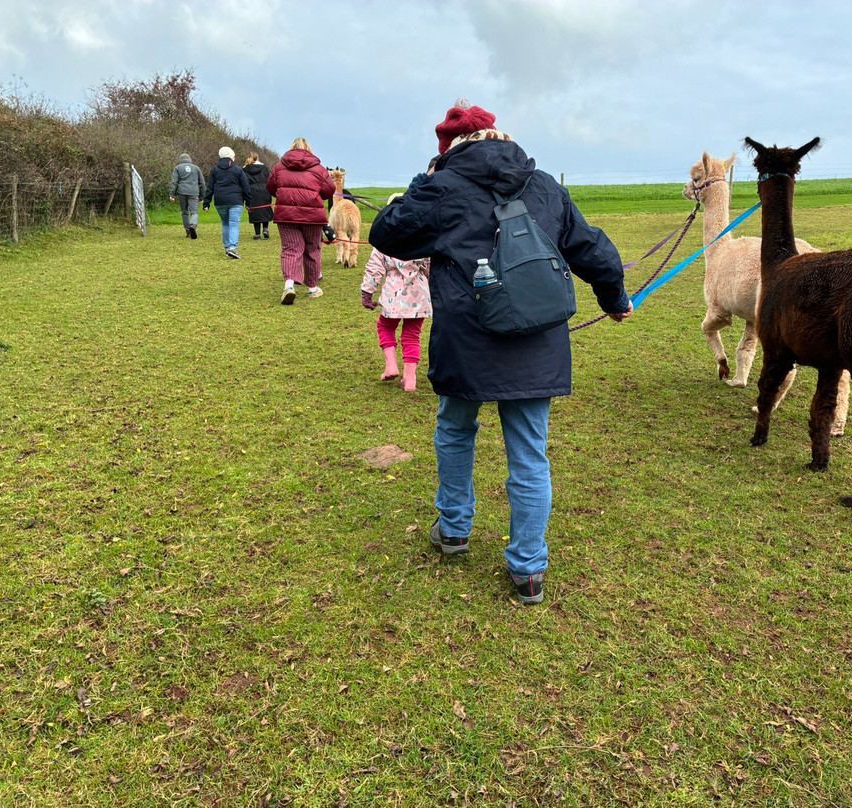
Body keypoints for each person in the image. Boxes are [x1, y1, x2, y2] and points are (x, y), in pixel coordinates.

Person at [368, 99, 633, 605]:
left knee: (454, 430)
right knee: (529, 454)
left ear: (449, 148)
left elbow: (387, 231)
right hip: (537, 341)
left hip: (468, 340)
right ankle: (528, 568)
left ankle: (453, 529)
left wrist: (427, 177)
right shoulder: (545, 186)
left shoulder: (442, 187)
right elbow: (591, 247)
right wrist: (615, 298)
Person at [265, 137, 335, 305]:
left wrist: (285, 197)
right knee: (312, 249)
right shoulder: (318, 169)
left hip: (286, 215)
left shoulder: (279, 167)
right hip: (312, 216)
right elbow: (330, 189)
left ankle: (289, 286)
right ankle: (312, 288)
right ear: (308, 149)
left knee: (290, 249)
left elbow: (270, 187)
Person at [360, 248, 432, 391]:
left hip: (393, 290)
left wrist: (367, 292)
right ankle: (410, 379)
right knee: (412, 336)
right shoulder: (424, 235)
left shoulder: (385, 237)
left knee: (385, 326)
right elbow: (430, 264)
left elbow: (375, 265)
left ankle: (391, 367)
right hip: (419, 292)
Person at [202, 146, 251, 259]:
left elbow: (210, 188)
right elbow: (246, 187)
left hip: (220, 200)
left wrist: (206, 202)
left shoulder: (214, 170)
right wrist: (248, 202)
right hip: (236, 200)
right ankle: (233, 247)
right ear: (231, 157)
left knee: (225, 224)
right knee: (233, 224)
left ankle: (226, 247)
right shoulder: (238, 169)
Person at [168, 153, 206, 239]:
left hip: (182, 192)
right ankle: (193, 225)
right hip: (194, 192)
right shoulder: (196, 168)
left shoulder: (177, 168)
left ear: (180, 160)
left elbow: (174, 182)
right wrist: (201, 196)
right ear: (190, 159)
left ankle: (188, 231)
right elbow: (202, 183)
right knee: (194, 212)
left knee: (184, 212)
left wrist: (171, 194)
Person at [243, 152, 273, 240]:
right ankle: (265, 228)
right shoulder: (264, 168)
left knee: (254, 211)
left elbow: (243, 182)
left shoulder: (245, 170)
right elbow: (270, 178)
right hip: (264, 190)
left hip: (252, 191)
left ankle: (257, 234)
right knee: (265, 209)